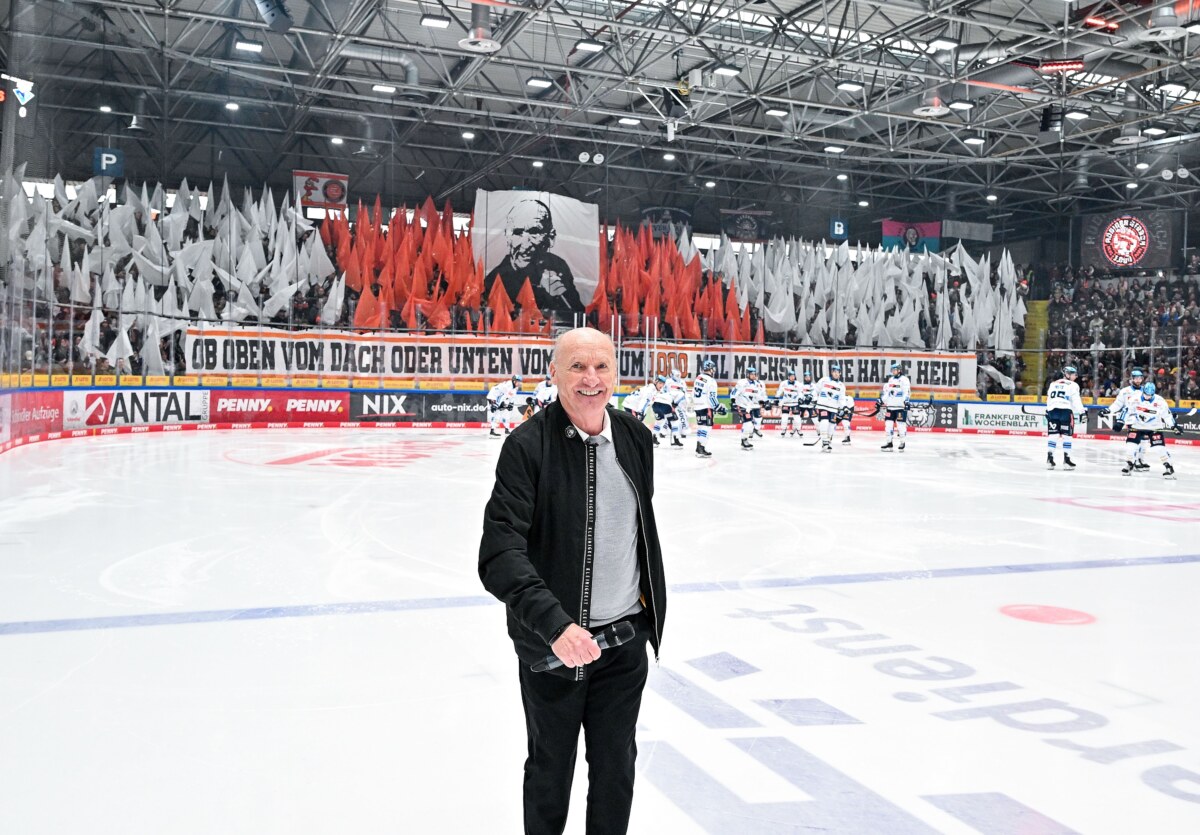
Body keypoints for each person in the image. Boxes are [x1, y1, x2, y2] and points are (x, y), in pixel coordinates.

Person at [478, 327, 667, 835]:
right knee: (549, 771)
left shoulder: (635, 438)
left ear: (616, 373)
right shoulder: (526, 447)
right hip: (554, 651)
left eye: (602, 366)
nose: (591, 378)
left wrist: (647, 618)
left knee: (615, 771)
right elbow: (499, 554)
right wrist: (557, 627)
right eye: (577, 367)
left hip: (624, 647)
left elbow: (635, 533)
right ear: (554, 373)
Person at [484, 198, 583, 314]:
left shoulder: (557, 266)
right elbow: (487, 316)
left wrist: (560, 296)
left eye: (534, 232)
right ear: (507, 236)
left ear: (550, 237)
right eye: (518, 232)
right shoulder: (496, 278)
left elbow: (578, 314)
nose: (525, 243)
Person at [1122, 382, 1180, 478]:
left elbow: (1167, 415)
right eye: (1145, 394)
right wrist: (1120, 422)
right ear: (1143, 391)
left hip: (1154, 427)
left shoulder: (1160, 401)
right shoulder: (1134, 399)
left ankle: (1169, 467)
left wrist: (1174, 426)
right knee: (1130, 445)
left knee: (1159, 447)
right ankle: (1129, 464)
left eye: (1150, 395)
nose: (1147, 397)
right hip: (1137, 426)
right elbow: (1127, 411)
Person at [1104, 368, 1149, 471]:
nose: (1138, 380)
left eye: (1140, 378)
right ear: (1132, 379)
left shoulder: (1145, 390)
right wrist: (1108, 410)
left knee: (1144, 440)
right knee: (1135, 440)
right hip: (1131, 418)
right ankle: (1135, 460)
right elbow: (1118, 404)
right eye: (1136, 378)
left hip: (1144, 418)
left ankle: (1141, 459)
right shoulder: (1125, 391)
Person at [1044, 365, 1086, 470]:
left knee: (1053, 435)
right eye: (1073, 374)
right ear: (1067, 374)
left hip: (1053, 411)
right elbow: (1076, 400)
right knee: (1067, 436)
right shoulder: (1073, 385)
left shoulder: (1053, 384)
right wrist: (1082, 412)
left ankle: (1049, 459)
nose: (1075, 377)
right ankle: (1066, 461)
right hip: (1065, 412)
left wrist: (1048, 410)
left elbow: (1049, 399)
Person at [691, 359, 725, 458]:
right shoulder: (711, 381)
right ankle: (701, 448)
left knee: (701, 427)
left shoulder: (698, 377)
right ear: (711, 369)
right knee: (707, 427)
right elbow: (711, 397)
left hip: (697, 406)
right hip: (706, 407)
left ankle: (698, 447)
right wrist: (718, 407)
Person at [813, 362, 847, 453]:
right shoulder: (824, 380)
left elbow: (842, 398)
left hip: (833, 408)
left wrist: (844, 407)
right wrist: (814, 399)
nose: (836, 373)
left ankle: (828, 441)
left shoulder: (841, 386)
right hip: (822, 406)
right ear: (831, 372)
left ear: (840, 373)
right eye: (834, 371)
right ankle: (824, 442)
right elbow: (816, 390)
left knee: (832, 426)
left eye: (838, 372)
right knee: (824, 422)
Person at [878, 361, 912, 452]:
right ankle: (889, 443)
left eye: (895, 370)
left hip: (900, 407)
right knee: (888, 426)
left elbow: (906, 392)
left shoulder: (904, 379)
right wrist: (881, 400)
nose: (893, 371)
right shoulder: (891, 380)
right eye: (892, 370)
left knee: (901, 426)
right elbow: (888, 393)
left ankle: (902, 442)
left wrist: (906, 401)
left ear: (899, 370)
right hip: (890, 407)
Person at [731, 365, 765, 451]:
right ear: (747, 374)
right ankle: (744, 440)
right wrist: (733, 401)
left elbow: (758, 396)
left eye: (755, 374)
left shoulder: (757, 384)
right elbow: (734, 392)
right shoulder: (742, 382)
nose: (754, 375)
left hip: (749, 406)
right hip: (742, 405)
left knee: (750, 424)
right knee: (748, 424)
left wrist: (762, 402)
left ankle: (745, 439)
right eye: (752, 374)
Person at [651, 374, 685, 448]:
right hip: (665, 405)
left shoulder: (662, 391)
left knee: (659, 421)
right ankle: (676, 440)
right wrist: (674, 406)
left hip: (655, 405)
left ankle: (653, 439)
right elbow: (678, 399)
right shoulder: (680, 392)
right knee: (675, 421)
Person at [776, 368, 802, 437]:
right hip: (786, 403)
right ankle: (783, 429)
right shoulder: (783, 383)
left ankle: (799, 430)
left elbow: (800, 393)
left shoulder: (798, 384)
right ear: (788, 377)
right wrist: (777, 398)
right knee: (784, 418)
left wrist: (800, 398)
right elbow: (779, 392)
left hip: (795, 403)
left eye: (793, 376)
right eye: (791, 376)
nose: (792, 377)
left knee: (797, 419)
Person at [666, 368, 690, 439]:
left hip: (680, 402)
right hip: (671, 401)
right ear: (672, 375)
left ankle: (683, 431)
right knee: (668, 416)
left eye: (679, 375)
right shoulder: (668, 381)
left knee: (683, 416)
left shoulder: (682, 382)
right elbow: (665, 391)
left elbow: (685, 391)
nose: (678, 377)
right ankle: (664, 431)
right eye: (677, 375)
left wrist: (686, 401)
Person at [796, 369, 817, 441]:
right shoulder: (800, 385)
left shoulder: (814, 385)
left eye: (809, 377)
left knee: (815, 419)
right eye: (806, 377)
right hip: (802, 405)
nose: (808, 378)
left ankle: (819, 431)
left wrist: (811, 398)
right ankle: (797, 430)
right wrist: (800, 399)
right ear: (804, 377)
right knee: (798, 419)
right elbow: (799, 393)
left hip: (810, 405)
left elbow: (815, 394)